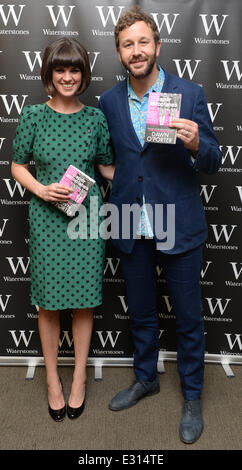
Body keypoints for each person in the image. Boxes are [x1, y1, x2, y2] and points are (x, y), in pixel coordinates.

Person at [99, 6, 222, 444]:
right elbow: (115, 160)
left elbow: (214, 158)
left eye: (143, 42)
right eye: (128, 44)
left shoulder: (189, 93)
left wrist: (194, 144)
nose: (137, 51)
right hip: (130, 220)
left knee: (189, 319)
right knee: (142, 314)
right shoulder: (109, 102)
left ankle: (192, 395)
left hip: (178, 220)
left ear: (157, 45)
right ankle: (146, 378)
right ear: (119, 52)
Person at [11, 37, 114, 422]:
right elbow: (17, 164)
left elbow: (106, 167)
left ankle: (79, 379)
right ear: (49, 74)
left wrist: (148, 177)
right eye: (60, 69)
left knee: (84, 301)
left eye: (74, 69)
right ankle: (53, 379)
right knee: (48, 304)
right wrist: (40, 188)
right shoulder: (34, 116)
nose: (68, 77)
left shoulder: (95, 119)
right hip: (46, 222)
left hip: (86, 223)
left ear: (83, 74)